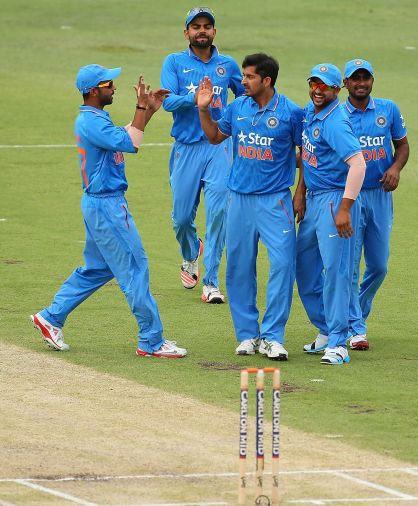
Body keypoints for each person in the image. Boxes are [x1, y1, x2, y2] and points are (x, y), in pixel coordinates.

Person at [30, 65, 186, 359]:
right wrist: (141, 105)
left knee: (98, 268)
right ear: (92, 90)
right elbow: (130, 143)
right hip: (107, 206)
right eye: (108, 84)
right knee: (136, 266)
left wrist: (149, 110)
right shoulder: (91, 122)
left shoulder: (96, 118)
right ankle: (151, 341)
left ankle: (51, 317)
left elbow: (127, 133)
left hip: (99, 204)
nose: (114, 87)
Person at [197, 53, 304, 361]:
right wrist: (204, 109)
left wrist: (301, 194)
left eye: (248, 77)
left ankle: (272, 336)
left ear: (266, 81)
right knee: (240, 267)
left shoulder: (291, 113)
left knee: (283, 265)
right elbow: (215, 136)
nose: (242, 81)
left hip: (275, 201)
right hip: (239, 199)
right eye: (242, 76)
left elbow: (305, 155)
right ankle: (247, 335)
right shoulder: (238, 107)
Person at [160, 7, 244, 303]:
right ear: (187, 33)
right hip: (186, 148)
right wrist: (195, 99)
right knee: (181, 218)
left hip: (220, 146)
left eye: (207, 26)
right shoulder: (174, 62)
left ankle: (211, 282)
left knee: (219, 211)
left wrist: (235, 117)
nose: (202, 31)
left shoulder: (228, 65)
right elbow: (167, 102)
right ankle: (190, 251)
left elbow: (245, 96)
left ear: (214, 31)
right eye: (196, 26)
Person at [297, 63, 366, 365]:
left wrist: (345, 208)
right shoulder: (311, 113)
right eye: (314, 83)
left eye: (324, 85)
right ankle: (325, 329)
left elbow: (359, 164)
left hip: (335, 200)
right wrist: (300, 192)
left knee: (336, 273)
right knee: (304, 266)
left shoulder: (336, 122)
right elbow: (307, 159)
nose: (317, 90)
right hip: (314, 200)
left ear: (336, 89)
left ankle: (338, 342)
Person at [342, 58, 409, 351]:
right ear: (345, 83)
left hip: (381, 195)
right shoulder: (337, 114)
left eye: (365, 78)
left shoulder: (387, 109)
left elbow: (402, 145)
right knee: (350, 265)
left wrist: (395, 168)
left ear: (372, 80)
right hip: (350, 196)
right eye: (354, 79)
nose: (360, 83)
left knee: (379, 266)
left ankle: (356, 310)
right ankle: (355, 327)